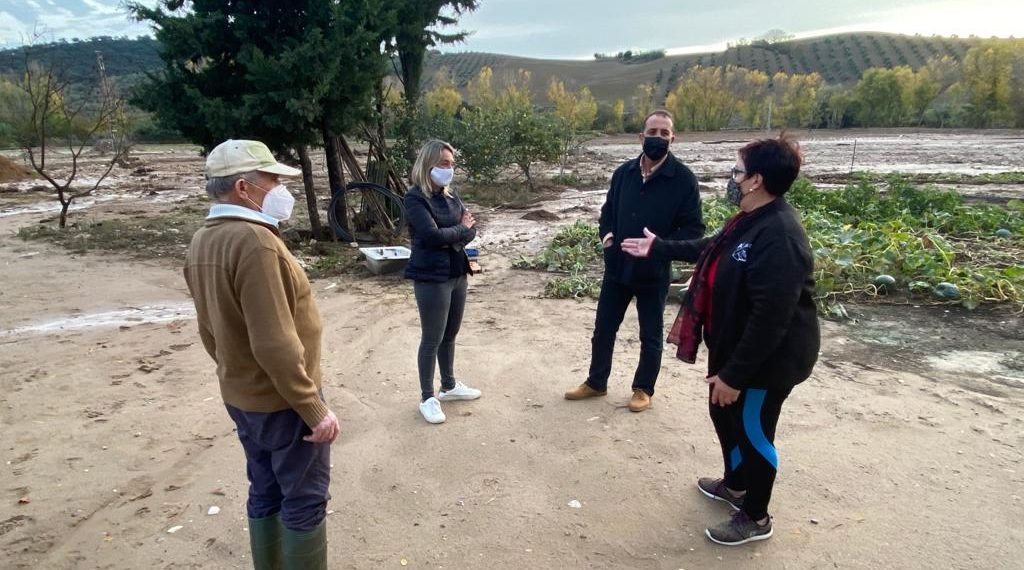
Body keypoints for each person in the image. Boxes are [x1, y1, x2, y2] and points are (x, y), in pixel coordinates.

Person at [621, 135, 820, 546]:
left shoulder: (780, 234)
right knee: (722, 413)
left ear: (756, 180)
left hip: (768, 361)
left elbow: (771, 318)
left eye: (737, 171)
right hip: (734, 347)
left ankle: (756, 516)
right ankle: (735, 485)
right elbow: (709, 247)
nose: (733, 178)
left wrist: (734, 375)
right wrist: (659, 247)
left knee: (753, 429)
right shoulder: (748, 218)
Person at [184, 139, 339, 569]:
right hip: (282, 402)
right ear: (242, 188)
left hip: (243, 397)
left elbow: (209, 330)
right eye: (272, 181)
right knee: (304, 499)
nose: (280, 190)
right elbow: (275, 341)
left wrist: (237, 374)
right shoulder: (255, 242)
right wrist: (313, 408)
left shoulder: (203, 240)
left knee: (266, 489)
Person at [564, 110, 705, 412]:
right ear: (641, 137)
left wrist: (659, 247)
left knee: (650, 335)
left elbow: (694, 231)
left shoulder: (683, 180)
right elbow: (607, 212)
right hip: (617, 268)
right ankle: (596, 382)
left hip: (653, 271)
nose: (657, 138)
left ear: (673, 139)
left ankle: (643, 389)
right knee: (603, 329)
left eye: (664, 133)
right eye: (652, 132)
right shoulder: (624, 173)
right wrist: (607, 239)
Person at [404, 139, 482, 424]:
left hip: (457, 272)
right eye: (443, 164)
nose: (449, 169)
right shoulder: (415, 198)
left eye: (451, 164)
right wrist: (460, 229)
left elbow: (472, 229)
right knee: (432, 338)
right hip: (431, 276)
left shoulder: (451, 196)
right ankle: (427, 397)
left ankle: (448, 385)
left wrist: (456, 234)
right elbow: (431, 236)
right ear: (428, 165)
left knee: (450, 334)